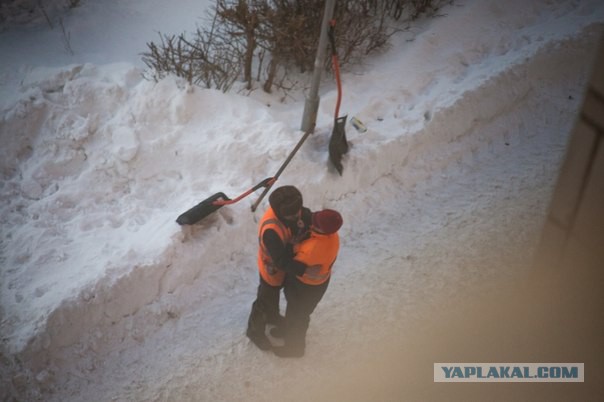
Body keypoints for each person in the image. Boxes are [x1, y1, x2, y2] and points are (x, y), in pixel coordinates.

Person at [246, 185, 311, 351]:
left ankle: (272, 316)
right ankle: (254, 331)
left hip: (284, 265)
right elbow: (281, 261)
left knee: (272, 297)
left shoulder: (294, 211)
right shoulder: (271, 230)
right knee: (265, 298)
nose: (298, 215)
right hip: (272, 268)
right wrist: (304, 270)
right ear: (281, 213)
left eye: (299, 210)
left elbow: (306, 216)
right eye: (293, 214)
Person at [272, 209, 343, 358]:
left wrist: (291, 245)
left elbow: (289, 263)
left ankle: (294, 348)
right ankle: (287, 329)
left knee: (298, 316)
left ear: (320, 229)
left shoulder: (311, 249)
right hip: (318, 285)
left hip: (304, 287)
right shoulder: (333, 237)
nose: (311, 221)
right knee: (294, 312)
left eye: (315, 221)